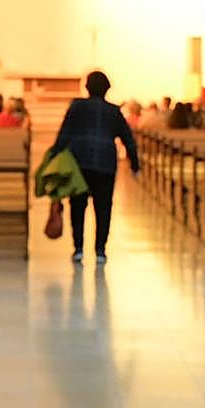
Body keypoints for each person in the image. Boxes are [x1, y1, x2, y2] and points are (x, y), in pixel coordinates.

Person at [50, 71, 139, 264]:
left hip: (79, 161)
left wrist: (54, 156)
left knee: (78, 205)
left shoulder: (77, 107)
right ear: (107, 89)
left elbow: (65, 134)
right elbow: (128, 138)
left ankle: (79, 248)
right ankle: (100, 250)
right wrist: (134, 163)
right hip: (105, 163)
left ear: (87, 87)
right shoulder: (113, 111)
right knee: (103, 206)